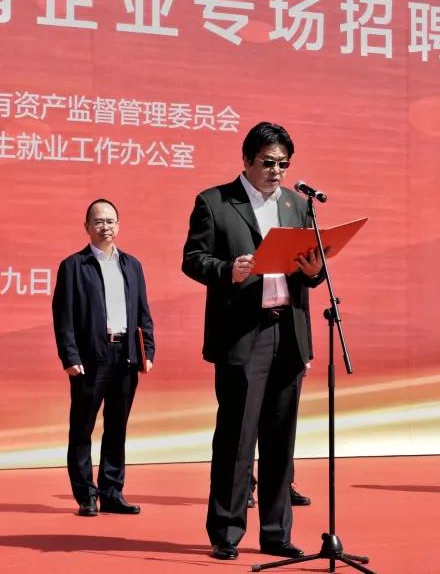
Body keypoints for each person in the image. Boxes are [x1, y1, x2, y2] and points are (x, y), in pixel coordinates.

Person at [182, 121, 323, 561]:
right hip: (243, 335)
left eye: (283, 164)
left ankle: (276, 533)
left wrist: (315, 271)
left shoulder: (297, 206)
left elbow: (309, 269)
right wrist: (229, 270)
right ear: (247, 160)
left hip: (288, 331)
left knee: (281, 440)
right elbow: (193, 259)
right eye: (268, 163)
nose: (276, 171)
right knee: (237, 438)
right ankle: (226, 533)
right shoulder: (215, 201)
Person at [52, 199, 156, 516]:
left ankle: (112, 492)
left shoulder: (132, 265)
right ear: (87, 227)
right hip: (90, 358)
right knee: (82, 428)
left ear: (118, 226)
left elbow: (143, 312)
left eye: (110, 221)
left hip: (125, 357)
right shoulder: (74, 266)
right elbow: (63, 316)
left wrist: (147, 350)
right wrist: (70, 355)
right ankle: (86, 494)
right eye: (98, 221)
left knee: (116, 428)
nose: (105, 227)